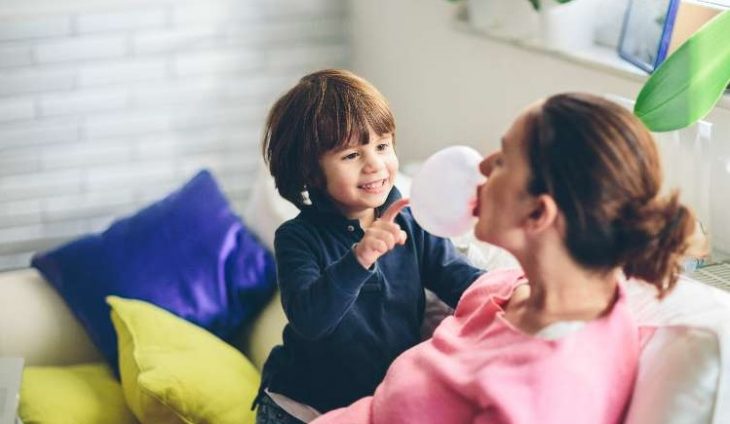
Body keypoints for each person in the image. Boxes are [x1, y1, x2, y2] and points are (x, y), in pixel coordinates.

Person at [312, 92, 695, 424]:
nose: (482, 165)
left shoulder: (548, 386)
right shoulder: (504, 289)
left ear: (537, 214)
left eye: (505, 159)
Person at [253, 69, 485, 423]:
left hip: (374, 406)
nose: (374, 164)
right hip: (300, 408)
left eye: (381, 146)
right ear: (310, 172)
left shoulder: (411, 217)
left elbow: (456, 276)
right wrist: (359, 258)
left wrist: (511, 292)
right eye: (351, 155)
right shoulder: (297, 238)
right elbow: (311, 320)